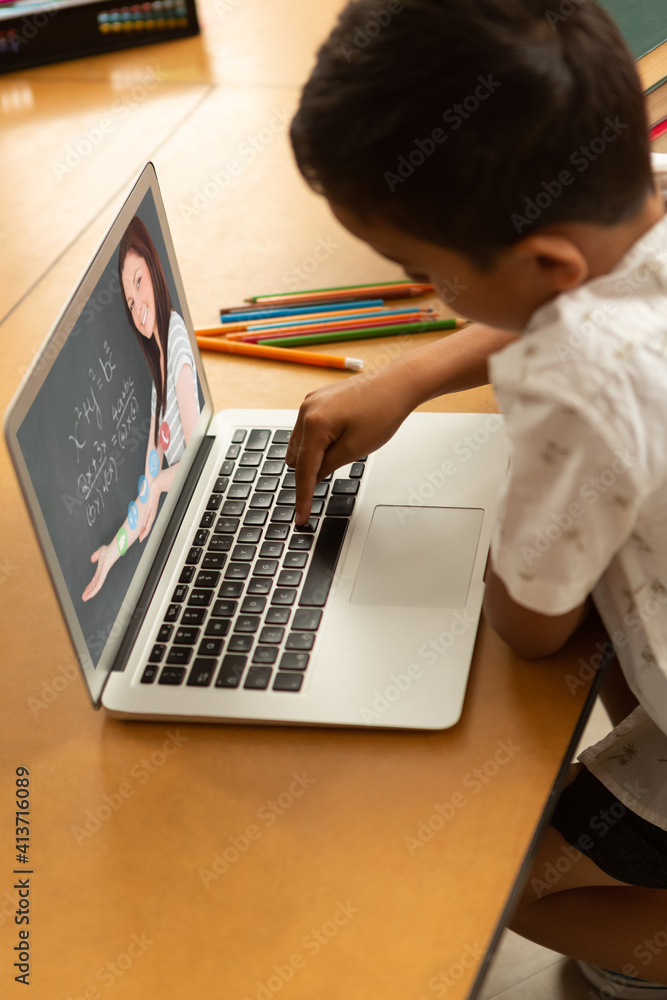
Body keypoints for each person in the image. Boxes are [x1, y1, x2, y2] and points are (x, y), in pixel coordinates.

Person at [284, 0, 667, 994]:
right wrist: (411, 378)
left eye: (428, 275)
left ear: (543, 263)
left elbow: (533, 624)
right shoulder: (645, 202)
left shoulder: (574, 386)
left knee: (504, 875)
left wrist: (504, 544)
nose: (432, 293)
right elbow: (589, 290)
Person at [82, 216, 200, 602]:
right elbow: (151, 475)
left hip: (203, 509)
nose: (137, 307)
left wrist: (157, 484)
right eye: (129, 301)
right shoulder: (159, 372)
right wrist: (112, 553)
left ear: (154, 269)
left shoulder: (178, 346)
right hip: (189, 511)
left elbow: (197, 462)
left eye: (139, 281)